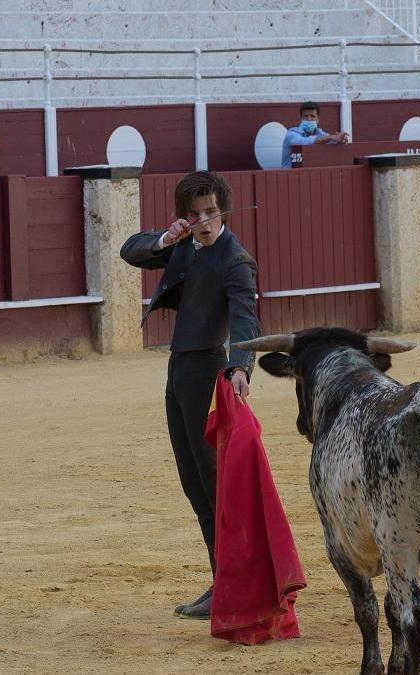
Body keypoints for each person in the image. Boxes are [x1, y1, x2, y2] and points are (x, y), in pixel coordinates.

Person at [119, 171, 261, 620]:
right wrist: (166, 236)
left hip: (208, 371)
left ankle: (234, 582)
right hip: (179, 368)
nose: (202, 220)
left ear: (224, 210)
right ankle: (222, 579)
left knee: (212, 481)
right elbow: (130, 250)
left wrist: (241, 365)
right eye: (194, 214)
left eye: (210, 212)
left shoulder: (235, 260)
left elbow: (245, 319)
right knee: (193, 481)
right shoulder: (183, 245)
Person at [280, 101, 350, 168]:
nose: (309, 119)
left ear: (318, 119)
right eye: (306, 116)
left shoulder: (321, 134)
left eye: (312, 116)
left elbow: (332, 140)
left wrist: (340, 140)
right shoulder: (292, 134)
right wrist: (330, 138)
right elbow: (304, 141)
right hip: (288, 177)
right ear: (301, 118)